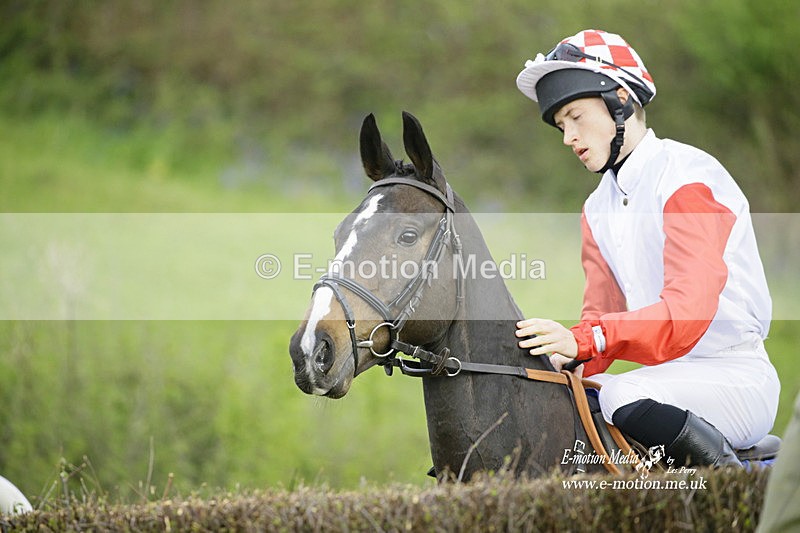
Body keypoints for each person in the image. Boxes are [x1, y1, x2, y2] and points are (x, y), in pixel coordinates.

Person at [513, 29, 780, 467]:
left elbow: (686, 314)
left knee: (620, 394)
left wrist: (586, 340)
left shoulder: (687, 177)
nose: (568, 137)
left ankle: (734, 493)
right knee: (579, 399)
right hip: (666, 380)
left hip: (735, 376)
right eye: (561, 126)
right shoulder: (596, 208)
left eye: (576, 117)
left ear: (620, 100)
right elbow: (601, 316)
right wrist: (564, 360)